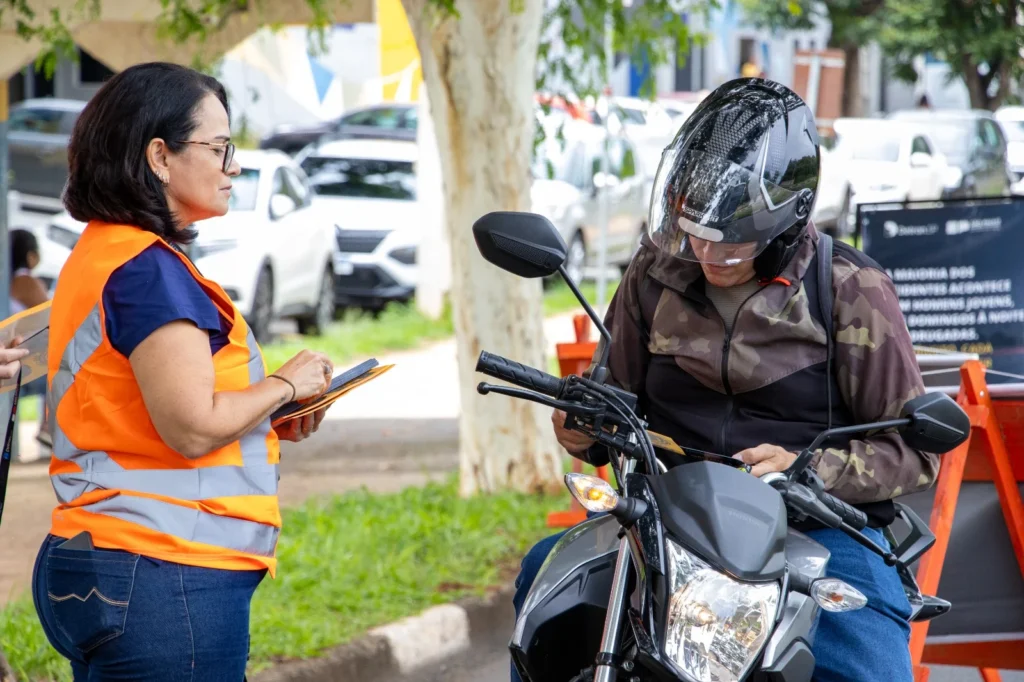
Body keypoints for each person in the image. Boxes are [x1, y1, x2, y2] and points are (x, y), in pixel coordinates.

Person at [513, 78, 936, 682]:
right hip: (667, 517)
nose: (708, 255)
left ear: (785, 224)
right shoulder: (652, 275)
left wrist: (808, 468)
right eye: (695, 234)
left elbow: (913, 451)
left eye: (731, 244)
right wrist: (582, 427)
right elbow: (612, 403)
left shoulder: (850, 287)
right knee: (544, 583)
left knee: (871, 664)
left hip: (812, 524)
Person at [30, 62, 335, 681]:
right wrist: (285, 384)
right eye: (220, 148)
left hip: (107, 562)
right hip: (163, 576)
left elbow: (136, 411)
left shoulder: (106, 251)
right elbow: (192, 427)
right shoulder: (148, 270)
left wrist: (267, 414)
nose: (234, 167)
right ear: (160, 157)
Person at [9, 228, 52, 450]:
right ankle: (49, 427)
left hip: (12, 359)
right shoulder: (25, 280)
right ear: (30, 255)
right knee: (62, 367)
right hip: (18, 365)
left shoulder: (7, 280)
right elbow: (52, 317)